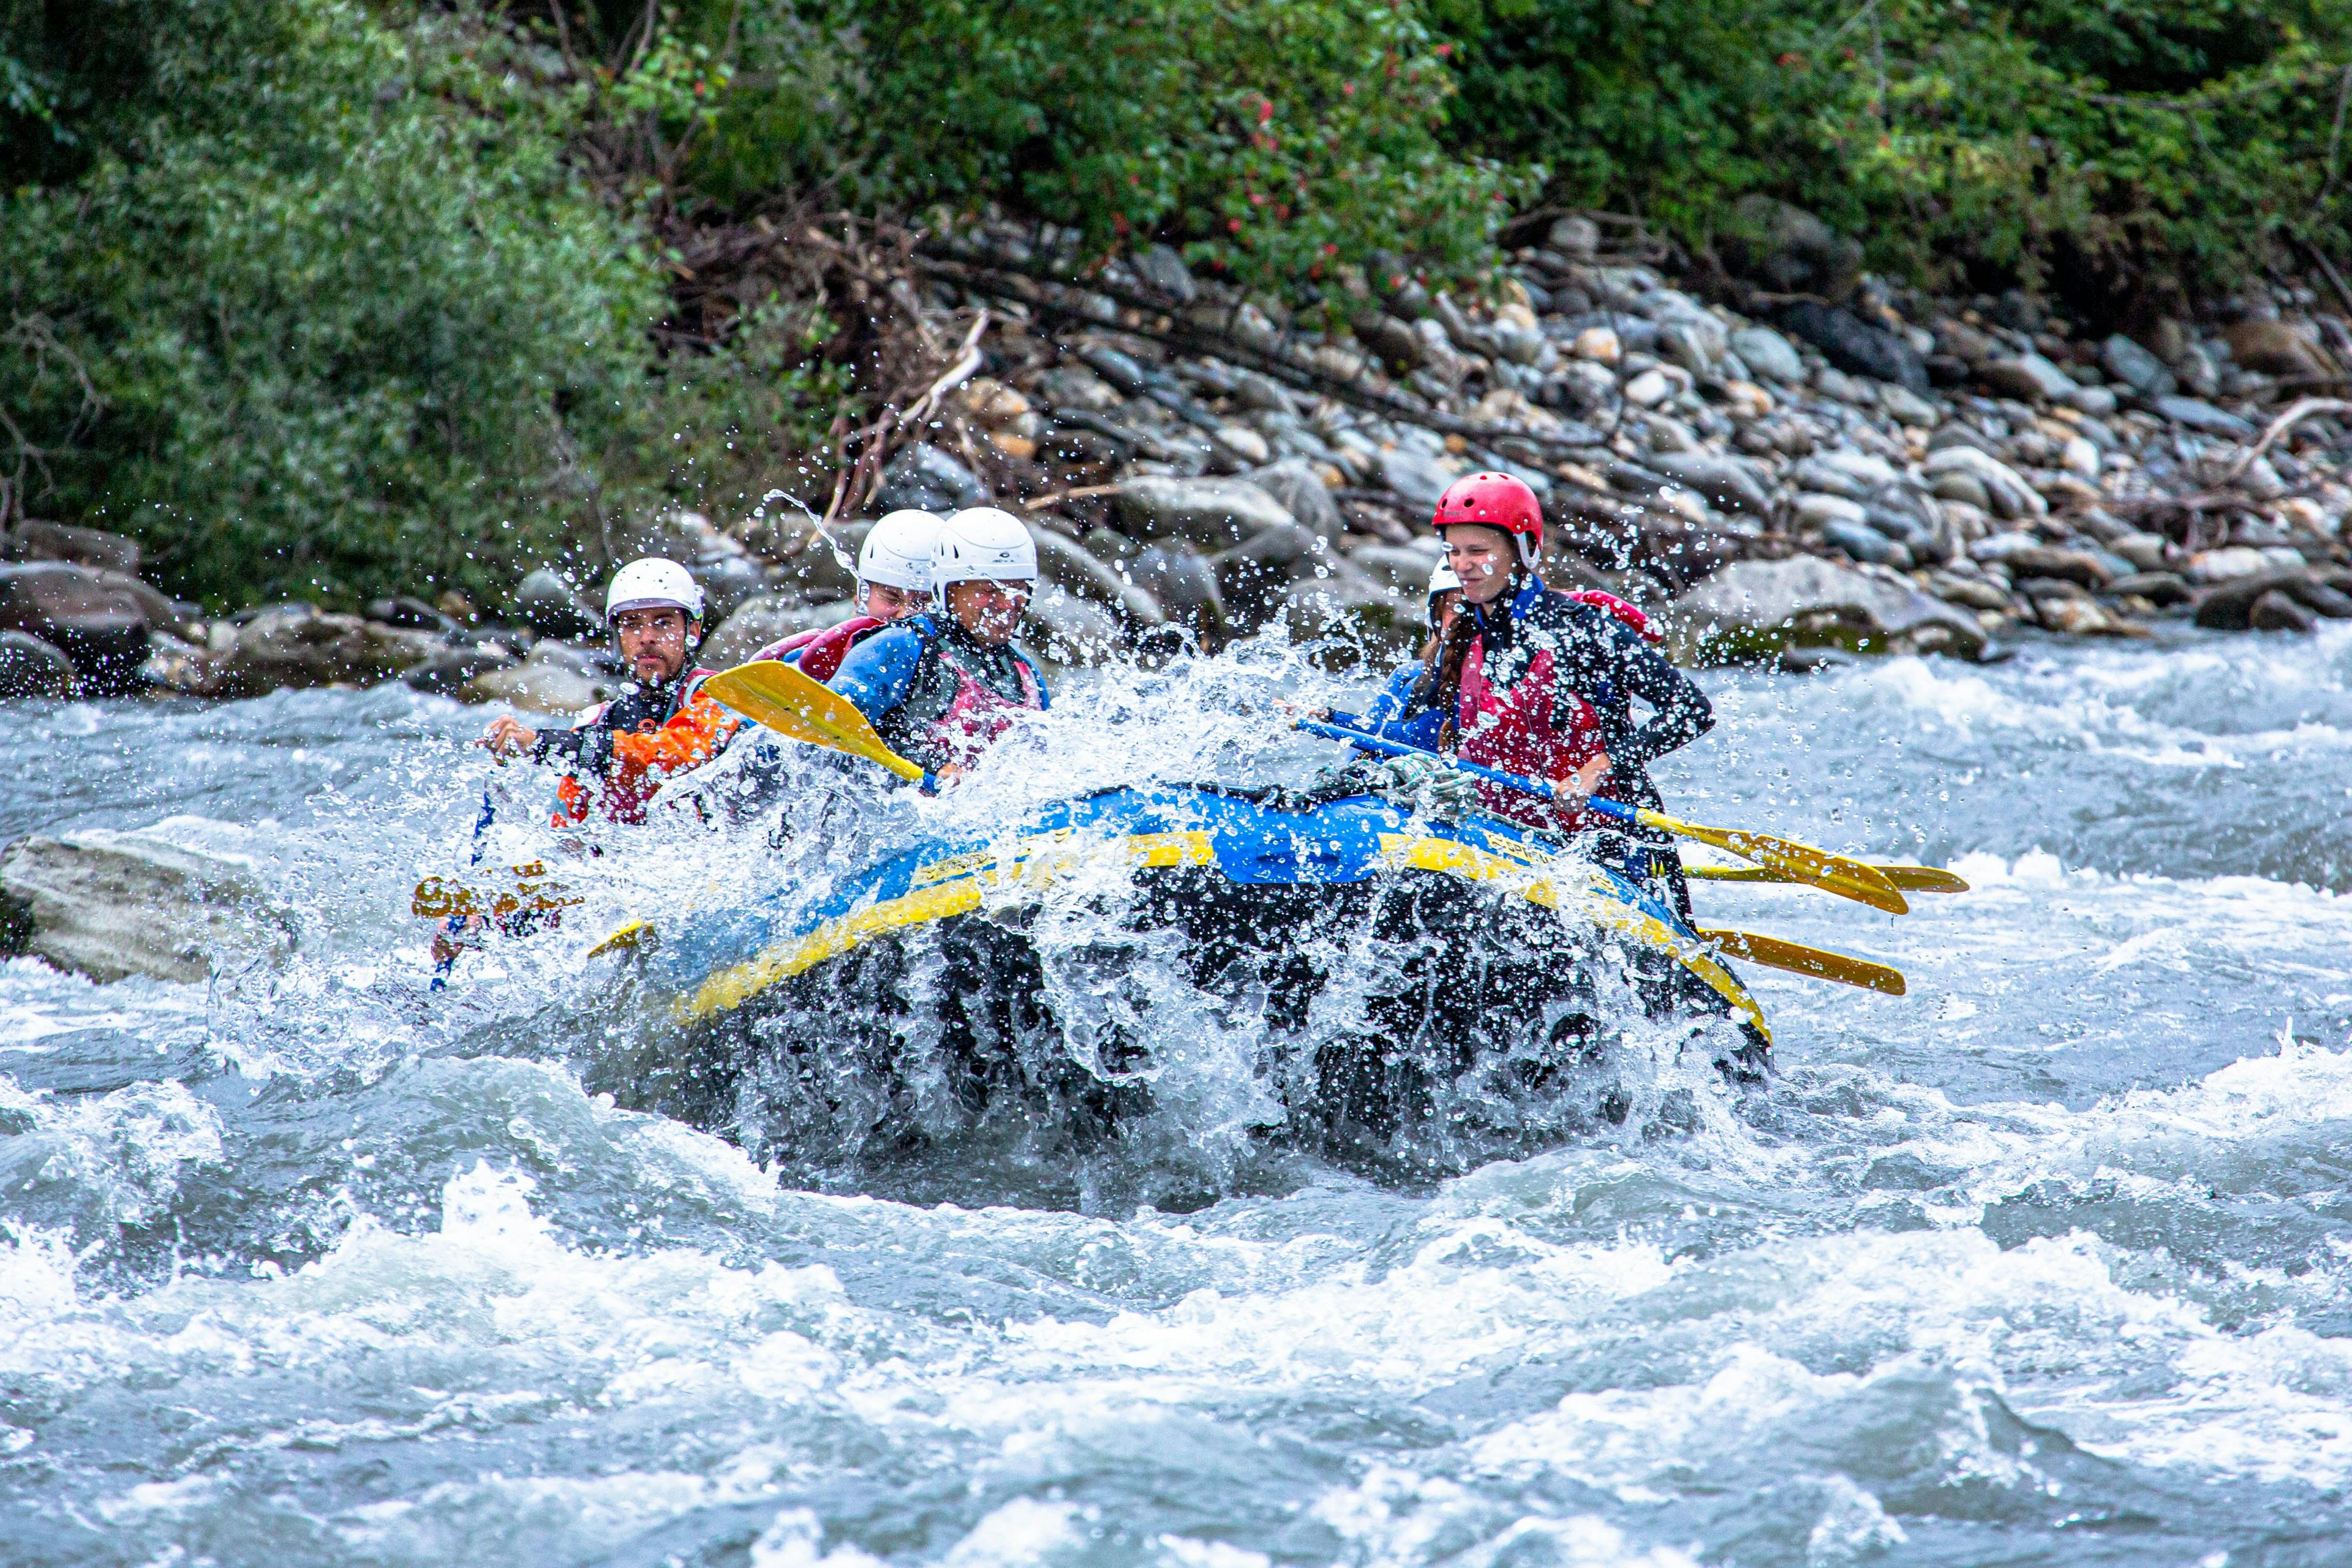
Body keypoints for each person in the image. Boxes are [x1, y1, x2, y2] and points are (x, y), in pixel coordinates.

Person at [1363, 471, 1714, 918]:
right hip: (1505, 844)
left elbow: (1691, 711)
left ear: (1523, 551)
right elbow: (1403, 733)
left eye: (1478, 551)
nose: (1462, 564)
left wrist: (1598, 769)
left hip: (1608, 849)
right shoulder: (1463, 637)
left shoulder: (1583, 629)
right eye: (1453, 551)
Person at [478, 557, 743, 825]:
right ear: (618, 636)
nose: (646, 637)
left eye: (663, 623)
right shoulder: (597, 721)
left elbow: (669, 755)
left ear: (693, 631)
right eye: (632, 625)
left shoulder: (719, 696)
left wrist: (541, 743)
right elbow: (567, 828)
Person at [827, 506, 1049, 777]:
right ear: (949, 591)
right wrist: (930, 765)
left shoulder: (1022, 672)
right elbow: (833, 728)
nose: (1006, 603)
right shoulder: (899, 645)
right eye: (989, 590)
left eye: (1018, 590)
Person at [754, 509, 940, 681]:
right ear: (859, 598)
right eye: (892, 598)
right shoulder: (821, 657)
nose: (906, 614)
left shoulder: (954, 665)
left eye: (924, 601)